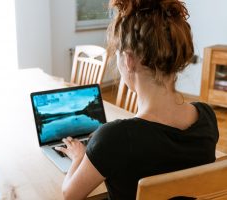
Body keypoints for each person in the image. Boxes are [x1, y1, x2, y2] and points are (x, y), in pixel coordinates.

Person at [55, 0, 219, 199]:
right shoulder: (207, 117)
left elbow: (69, 194)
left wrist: (79, 157)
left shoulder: (114, 138)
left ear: (129, 60)